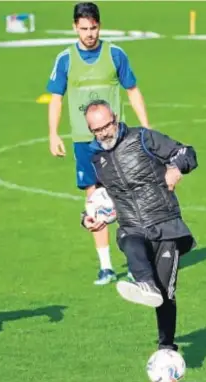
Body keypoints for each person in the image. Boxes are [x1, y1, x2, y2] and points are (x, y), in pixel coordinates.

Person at [80, 99, 198, 352]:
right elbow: (98, 195)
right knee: (129, 240)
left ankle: (166, 346)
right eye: (96, 130)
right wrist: (87, 217)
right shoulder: (94, 157)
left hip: (165, 224)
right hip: (131, 225)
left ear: (115, 118)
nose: (103, 133)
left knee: (165, 294)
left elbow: (186, 152)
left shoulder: (143, 138)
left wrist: (177, 168)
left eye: (106, 126)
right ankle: (144, 282)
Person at [46, 2, 151, 285]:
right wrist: (54, 134)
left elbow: (133, 90)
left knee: (129, 196)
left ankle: (134, 262)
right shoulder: (65, 59)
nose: (89, 34)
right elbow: (56, 98)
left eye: (93, 28)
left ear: (99, 26)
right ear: (74, 28)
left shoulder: (115, 54)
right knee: (95, 201)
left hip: (117, 139)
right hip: (84, 141)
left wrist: (146, 126)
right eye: (84, 29)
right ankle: (105, 266)